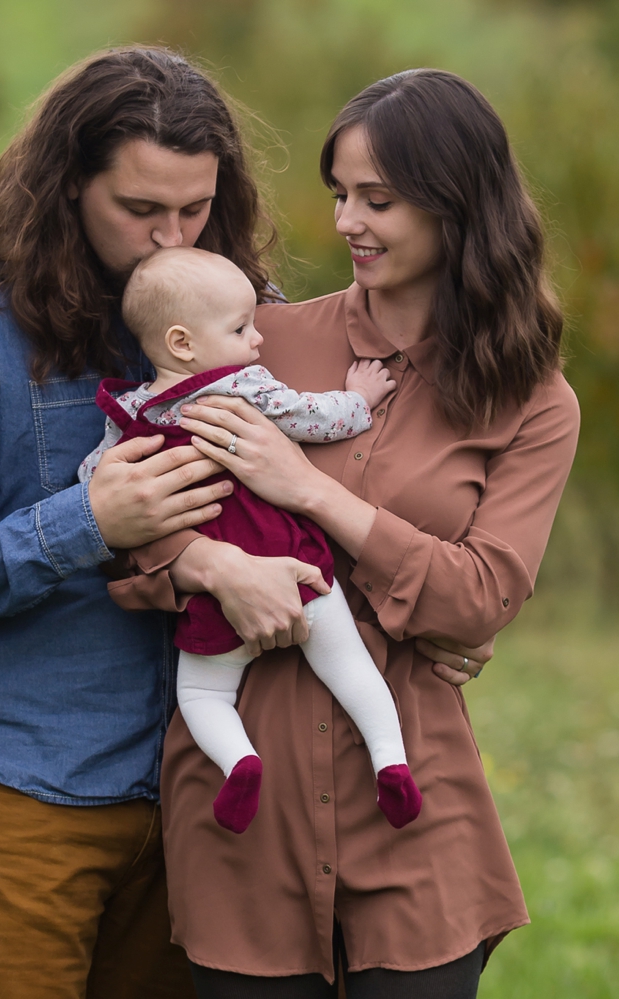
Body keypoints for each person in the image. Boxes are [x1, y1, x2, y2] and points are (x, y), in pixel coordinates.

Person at [110, 69, 580, 996]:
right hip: (246, 817)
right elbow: (134, 526)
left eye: (379, 199)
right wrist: (204, 563)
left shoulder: (534, 400)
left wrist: (310, 494)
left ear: (460, 205)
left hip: (412, 811)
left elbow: (482, 598)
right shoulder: (258, 344)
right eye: (340, 195)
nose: (347, 223)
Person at [0, 47, 324, 999]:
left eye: (194, 210)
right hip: (26, 803)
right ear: (67, 186)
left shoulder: (239, 317)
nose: (171, 240)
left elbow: (348, 461)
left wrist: (435, 605)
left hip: (209, 804)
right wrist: (87, 518)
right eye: (140, 210)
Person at [78, 247, 420, 835]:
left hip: (210, 594)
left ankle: (239, 762)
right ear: (184, 344)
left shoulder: (131, 411)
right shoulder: (242, 387)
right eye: (241, 327)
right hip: (290, 557)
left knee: (203, 695)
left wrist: (95, 494)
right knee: (351, 669)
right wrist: (360, 399)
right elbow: (311, 417)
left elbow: (97, 478)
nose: (258, 339)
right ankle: (392, 761)